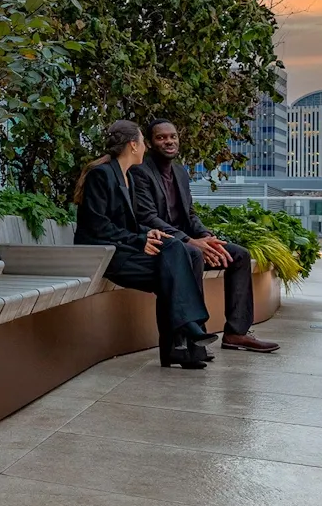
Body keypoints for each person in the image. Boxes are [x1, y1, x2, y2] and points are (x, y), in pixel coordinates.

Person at [73, 119, 217, 369]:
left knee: (181, 251)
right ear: (133, 145)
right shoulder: (102, 175)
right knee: (171, 270)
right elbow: (98, 226)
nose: (145, 148)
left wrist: (150, 234)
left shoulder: (125, 176)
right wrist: (140, 239)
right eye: (142, 141)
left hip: (122, 249)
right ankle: (186, 335)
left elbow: (127, 224)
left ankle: (182, 342)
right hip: (103, 255)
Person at [132, 118, 280, 353]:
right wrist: (191, 241)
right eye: (161, 137)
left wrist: (206, 237)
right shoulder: (140, 173)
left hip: (190, 241)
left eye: (173, 136)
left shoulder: (179, 172)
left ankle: (236, 333)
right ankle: (196, 336)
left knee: (239, 255)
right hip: (164, 245)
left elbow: (190, 214)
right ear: (149, 143)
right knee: (193, 255)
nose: (169, 141)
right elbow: (148, 218)